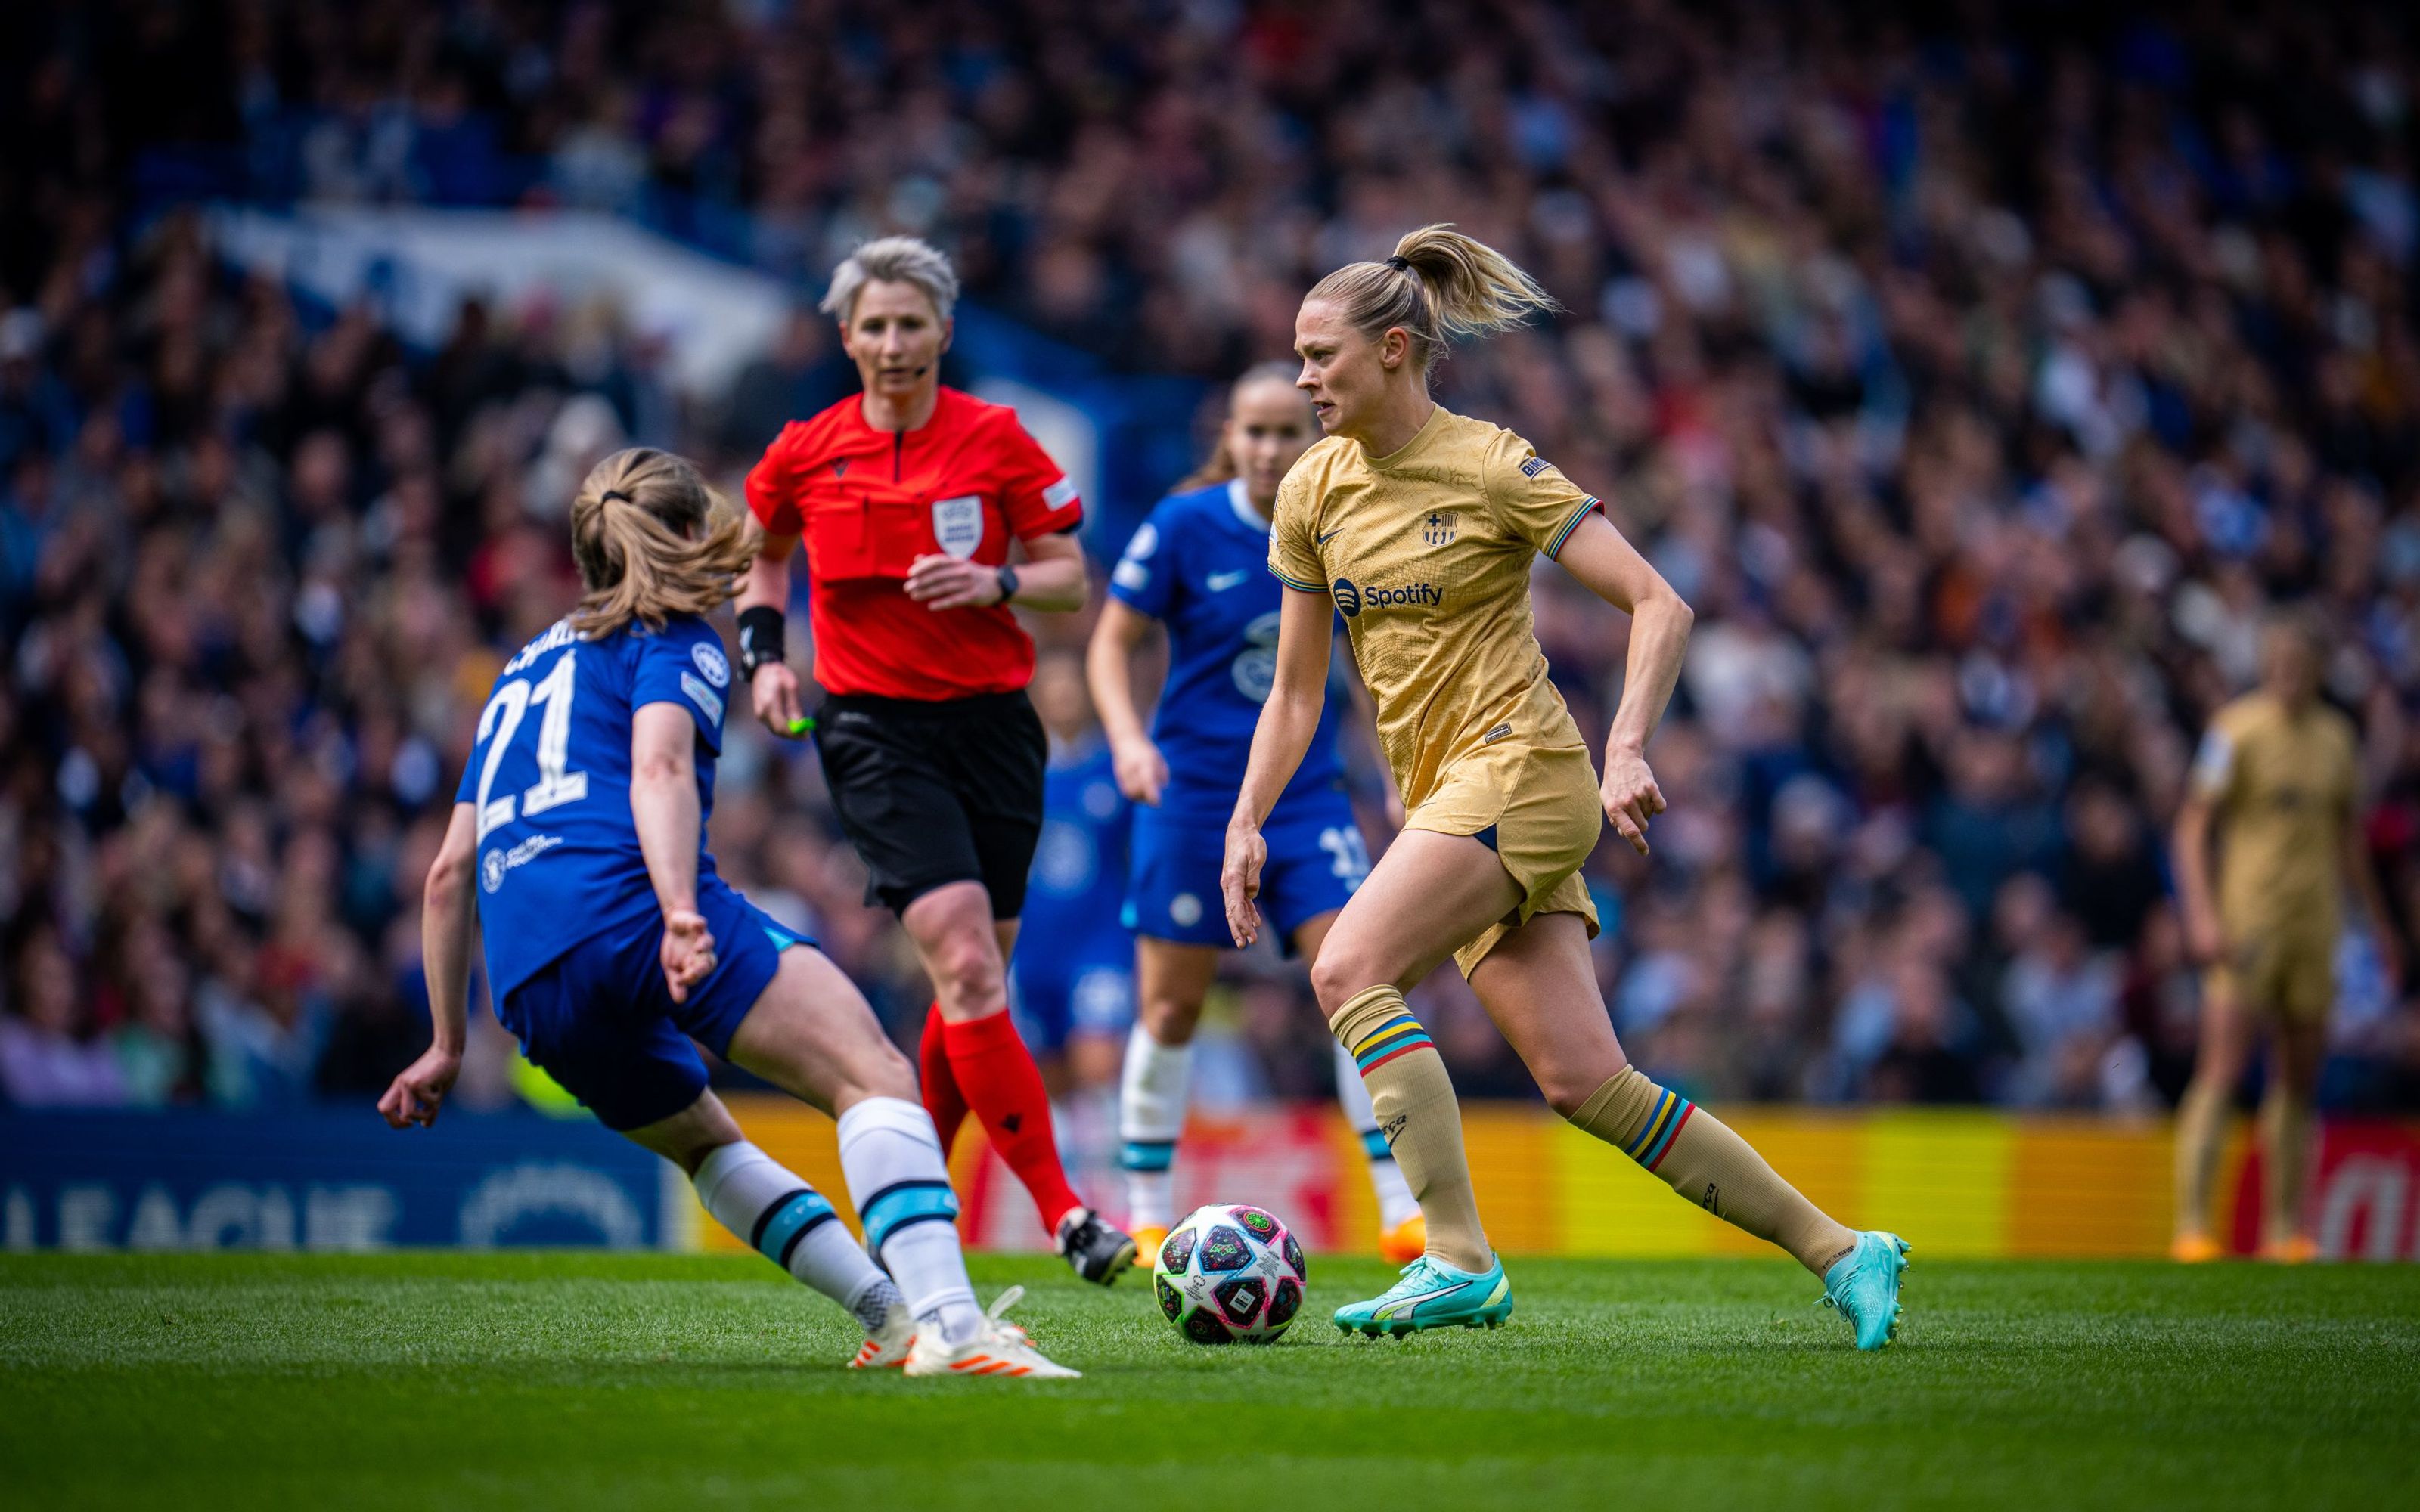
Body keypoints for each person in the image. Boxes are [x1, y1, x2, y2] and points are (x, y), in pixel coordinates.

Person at [1222, 227, 1907, 1347]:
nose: (1302, 379)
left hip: (1527, 774)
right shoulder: (1311, 491)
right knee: (1588, 1082)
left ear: (1395, 350)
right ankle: (1844, 1249)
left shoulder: (1492, 463)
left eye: (1319, 355)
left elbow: (1660, 603)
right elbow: (1296, 696)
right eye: (1296, 357)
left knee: (1347, 964)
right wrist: (1248, 819)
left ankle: (1455, 1257)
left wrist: (1628, 745)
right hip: (1449, 796)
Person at [379, 448, 1075, 1379]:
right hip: (630, 906)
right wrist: (675, 911)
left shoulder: (517, 672)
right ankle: (953, 1328)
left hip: (528, 978)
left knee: (708, 1144)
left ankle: (892, 1315)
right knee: (869, 1072)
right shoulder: (674, 640)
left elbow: (447, 870)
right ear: (683, 536)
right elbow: (658, 767)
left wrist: (445, 1043)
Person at [735, 236, 1134, 1284]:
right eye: (876, 324)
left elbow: (1068, 580)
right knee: (962, 957)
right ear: (848, 337)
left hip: (997, 729)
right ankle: (1065, 1214)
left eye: (914, 323)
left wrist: (998, 585)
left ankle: (915, 1207)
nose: (895, 341)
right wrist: (767, 660)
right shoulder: (804, 451)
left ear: (944, 334)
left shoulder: (999, 439)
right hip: (876, 732)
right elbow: (760, 557)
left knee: (975, 983)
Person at [1087, 361, 1424, 1263]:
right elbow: (1109, 643)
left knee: (1357, 980)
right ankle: (1148, 1209)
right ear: (1228, 438)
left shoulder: (1339, 519)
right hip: (1190, 795)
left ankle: (1401, 1207)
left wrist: (1394, 766)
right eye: (1255, 430)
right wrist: (1126, 739)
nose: (1272, 447)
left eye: (1287, 431)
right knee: (1169, 1009)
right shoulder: (1182, 526)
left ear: (1311, 438)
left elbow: (1356, 664)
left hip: (1305, 795)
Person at [2170, 612, 2400, 1262]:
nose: (2290, 678)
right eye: (2281, 665)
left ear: (2320, 671)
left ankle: (2281, 1232)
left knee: (2298, 1080)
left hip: (2314, 927)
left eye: (2302, 667)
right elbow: (2192, 829)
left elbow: (2349, 844)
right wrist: (2203, 917)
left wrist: (2380, 927)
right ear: (2268, 666)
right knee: (2221, 1068)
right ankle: (2191, 1226)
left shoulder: (2336, 740)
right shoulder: (2235, 731)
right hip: (2249, 926)